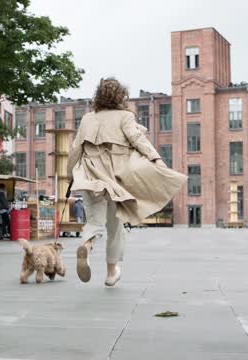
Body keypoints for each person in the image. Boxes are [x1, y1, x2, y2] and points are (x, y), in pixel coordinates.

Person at [67, 78, 187, 286]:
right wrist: (157, 160)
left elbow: (75, 149)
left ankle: (85, 248)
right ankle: (111, 273)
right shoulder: (125, 117)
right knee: (115, 226)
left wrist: (72, 174)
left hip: (91, 177)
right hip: (116, 179)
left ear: (98, 96)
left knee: (94, 221)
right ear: (120, 96)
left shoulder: (87, 119)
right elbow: (139, 140)